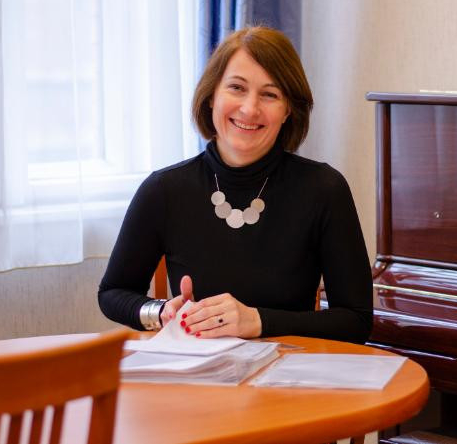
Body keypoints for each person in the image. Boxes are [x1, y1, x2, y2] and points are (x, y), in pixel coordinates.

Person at [98, 26, 373, 343]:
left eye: (270, 94)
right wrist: (160, 312)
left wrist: (258, 321)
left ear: (288, 110)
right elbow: (113, 292)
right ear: (211, 96)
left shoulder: (324, 189)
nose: (250, 109)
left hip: (289, 370)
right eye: (237, 88)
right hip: (197, 369)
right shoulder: (163, 190)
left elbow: (356, 321)